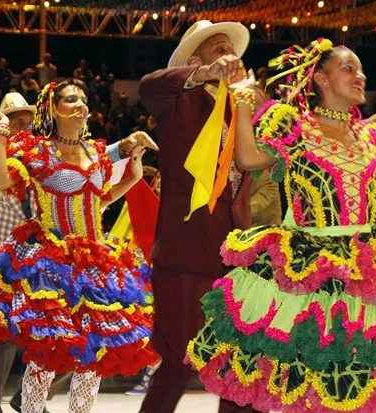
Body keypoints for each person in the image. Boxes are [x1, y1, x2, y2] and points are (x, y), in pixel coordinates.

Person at [186, 38, 376, 412]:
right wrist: (239, 102)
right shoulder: (295, 128)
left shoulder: (369, 138)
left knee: (364, 380)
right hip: (310, 269)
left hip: (369, 269)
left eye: (361, 69)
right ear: (320, 77)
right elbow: (249, 156)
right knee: (314, 381)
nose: (360, 76)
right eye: (348, 68)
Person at [0, 79, 159, 413]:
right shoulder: (37, 150)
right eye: (70, 99)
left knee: (93, 355)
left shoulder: (95, 150)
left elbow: (98, 200)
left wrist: (133, 178)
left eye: (83, 99)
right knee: (47, 354)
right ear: (52, 108)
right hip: (51, 262)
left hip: (96, 263)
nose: (81, 105)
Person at [138, 19, 269, 413]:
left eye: (233, 52)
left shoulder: (243, 110)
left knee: (240, 361)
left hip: (238, 251)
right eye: (219, 50)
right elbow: (148, 85)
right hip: (185, 250)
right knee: (178, 361)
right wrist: (203, 74)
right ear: (197, 60)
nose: (231, 59)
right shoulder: (178, 99)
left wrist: (260, 105)